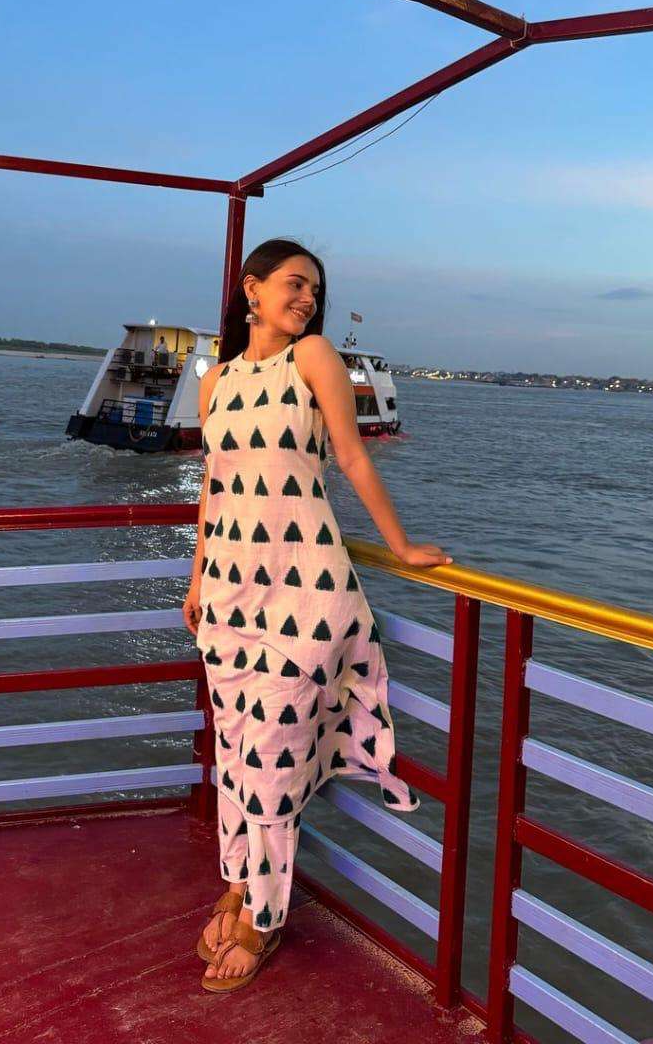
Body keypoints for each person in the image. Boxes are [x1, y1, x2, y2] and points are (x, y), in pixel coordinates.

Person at [181, 237, 453, 993]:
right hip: (229, 596)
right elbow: (214, 487)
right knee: (236, 752)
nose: (307, 299)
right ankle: (239, 883)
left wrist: (400, 546)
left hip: (303, 597)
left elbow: (353, 456)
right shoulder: (217, 381)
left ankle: (264, 918)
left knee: (271, 759)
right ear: (252, 289)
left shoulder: (314, 358)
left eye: (314, 291)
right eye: (295, 284)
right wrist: (197, 577)